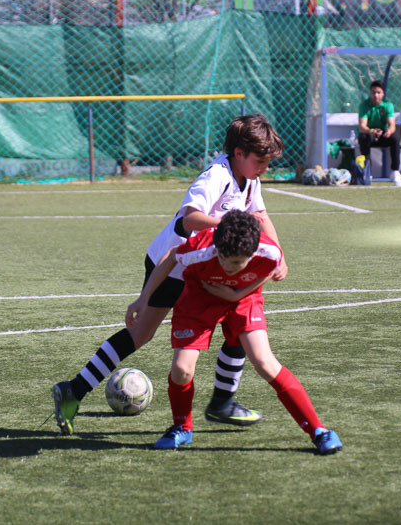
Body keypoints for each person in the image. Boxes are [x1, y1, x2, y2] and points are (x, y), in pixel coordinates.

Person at [52, 114, 289, 435]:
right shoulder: (216, 176)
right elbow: (189, 218)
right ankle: (73, 390)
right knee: (141, 334)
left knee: (239, 324)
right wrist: (230, 225)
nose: (265, 168)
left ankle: (223, 401)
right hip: (173, 264)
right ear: (238, 153)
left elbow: (260, 215)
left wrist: (279, 254)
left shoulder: (249, 178)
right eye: (260, 161)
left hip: (203, 266)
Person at [126, 210, 342, 455]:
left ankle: (319, 431)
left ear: (253, 252)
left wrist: (237, 294)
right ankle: (182, 428)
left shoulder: (269, 252)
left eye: (237, 263)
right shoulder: (202, 249)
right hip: (200, 297)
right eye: (223, 259)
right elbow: (172, 255)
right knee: (181, 369)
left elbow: (270, 269)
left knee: (264, 362)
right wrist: (143, 298)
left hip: (244, 299)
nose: (229, 267)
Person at [357, 79, 400, 181]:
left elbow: (392, 125)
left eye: (378, 92)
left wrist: (389, 131)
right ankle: (367, 171)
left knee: (395, 138)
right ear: (370, 93)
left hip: (383, 135)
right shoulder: (364, 105)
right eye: (373, 92)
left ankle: (395, 171)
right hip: (369, 134)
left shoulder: (388, 105)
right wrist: (372, 131)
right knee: (363, 137)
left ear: (383, 93)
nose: (376, 95)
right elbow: (362, 126)